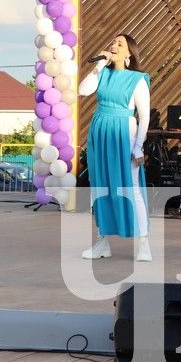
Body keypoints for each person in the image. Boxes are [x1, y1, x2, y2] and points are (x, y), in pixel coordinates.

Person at [78, 33, 151, 261]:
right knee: (100, 188)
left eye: (120, 43)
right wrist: (99, 65)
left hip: (124, 132)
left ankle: (144, 243)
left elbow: (145, 116)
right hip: (100, 132)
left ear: (130, 53)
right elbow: (83, 90)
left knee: (131, 186)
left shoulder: (136, 79)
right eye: (113, 42)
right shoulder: (103, 73)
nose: (114, 45)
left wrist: (138, 146)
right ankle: (102, 242)